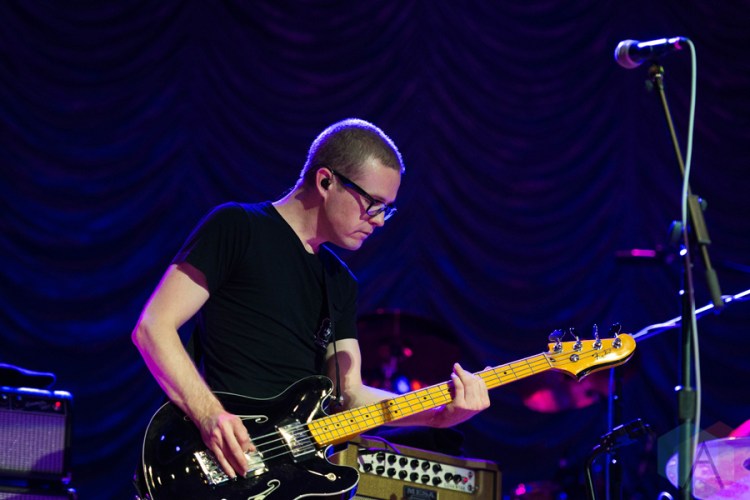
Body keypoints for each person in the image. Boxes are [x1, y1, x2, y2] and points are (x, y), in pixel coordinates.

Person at [131, 118, 490, 482]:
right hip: (215, 463)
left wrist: (439, 415)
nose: (380, 221)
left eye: (387, 208)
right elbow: (153, 328)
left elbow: (350, 397)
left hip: (287, 477)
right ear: (325, 182)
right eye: (373, 203)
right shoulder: (237, 227)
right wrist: (210, 414)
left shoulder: (339, 282)